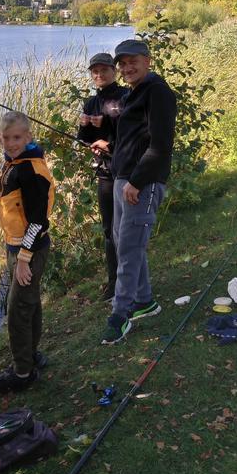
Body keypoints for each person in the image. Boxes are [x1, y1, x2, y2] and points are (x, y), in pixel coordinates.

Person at [91, 39, 176, 345]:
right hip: (121, 177)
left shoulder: (158, 91)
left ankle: (121, 314)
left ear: (148, 60)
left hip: (142, 182)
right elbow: (134, 138)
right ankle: (144, 301)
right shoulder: (134, 93)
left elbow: (160, 146)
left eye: (133, 62)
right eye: (123, 64)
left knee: (128, 248)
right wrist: (109, 146)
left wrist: (138, 182)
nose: (127, 68)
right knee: (123, 241)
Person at [0, 111, 55, 393]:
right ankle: (32, 355)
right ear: (0, 137)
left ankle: (23, 373)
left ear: (28, 137)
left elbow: (39, 220)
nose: (11, 143)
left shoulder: (32, 170)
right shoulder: (15, 164)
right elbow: (15, 186)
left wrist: (24, 259)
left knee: (16, 311)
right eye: (6, 138)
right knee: (30, 302)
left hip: (30, 249)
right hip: (18, 245)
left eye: (17, 138)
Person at [77, 52, 129, 302]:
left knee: (125, 229)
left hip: (126, 172)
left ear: (114, 71)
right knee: (109, 229)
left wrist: (108, 143)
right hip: (105, 174)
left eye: (104, 70)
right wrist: (87, 126)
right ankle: (113, 282)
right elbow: (84, 139)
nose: (99, 75)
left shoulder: (125, 97)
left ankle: (129, 277)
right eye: (94, 72)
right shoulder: (91, 103)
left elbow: (132, 137)